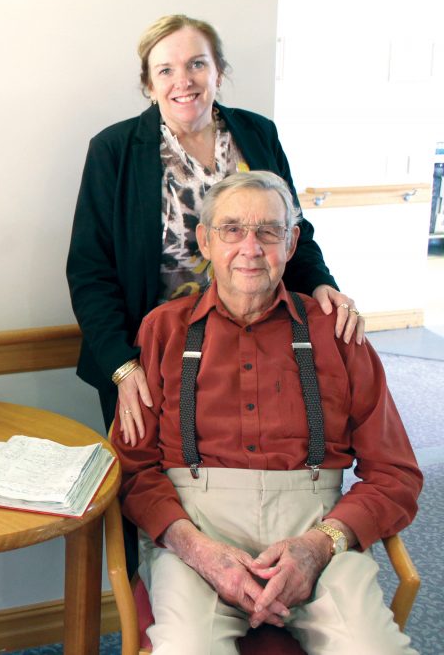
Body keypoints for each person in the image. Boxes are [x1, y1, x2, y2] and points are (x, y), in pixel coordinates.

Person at [115, 171, 422, 654]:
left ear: (292, 241)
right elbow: (132, 472)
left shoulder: (337, 333)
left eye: (268, 231)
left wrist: (322, 544)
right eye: (232, 229)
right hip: (196, 537)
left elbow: (396, 474)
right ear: (205, 240)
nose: (250, 248)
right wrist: (199, 551)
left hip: (318, 531)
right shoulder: (164, 330)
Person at [66, 14, 365, 443]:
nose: (182, 81)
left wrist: (321, 284)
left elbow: (293, 228)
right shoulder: (113, 150)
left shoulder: (258, 134)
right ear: (148, 84)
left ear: (218, 71)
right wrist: (121, 364)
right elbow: (89, 270)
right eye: (165, 70)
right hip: (149, 357)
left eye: (197, 64)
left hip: (254, 347)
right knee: (149, 488)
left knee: (245, 468)